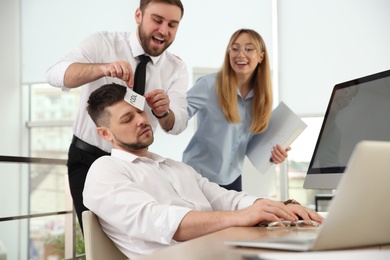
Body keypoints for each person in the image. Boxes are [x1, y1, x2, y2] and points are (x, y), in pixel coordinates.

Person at [83, 83, 323, 259]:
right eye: (127, 119)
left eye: (140, 112)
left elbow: (226, 198)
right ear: (105, 133)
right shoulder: (105, 171)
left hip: (223, 252)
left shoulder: (175, 167)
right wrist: (241, 217)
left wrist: (278, 207)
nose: (141, 120)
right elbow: (158, 220)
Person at [45, 0, 188, 231]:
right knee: (97, 240)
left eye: (173, 24)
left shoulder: (176, 68)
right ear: (138, 15)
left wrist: (164, 112)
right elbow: (54, 74)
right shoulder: (103, 43)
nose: (164, 31)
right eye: (157, 20)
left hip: (138, 165)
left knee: (137, 238)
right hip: (88, 160)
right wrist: (102, 68)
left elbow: (178, 123)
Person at [183, 28, 290, 191]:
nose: (240, 54)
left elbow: (255, 145)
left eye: (249, 49)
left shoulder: (261, 98)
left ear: (261, 56)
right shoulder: (208, 84)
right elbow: (177, 116)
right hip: (197, 178)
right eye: (235, 49)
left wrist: (275, 154)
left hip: (232, 180)